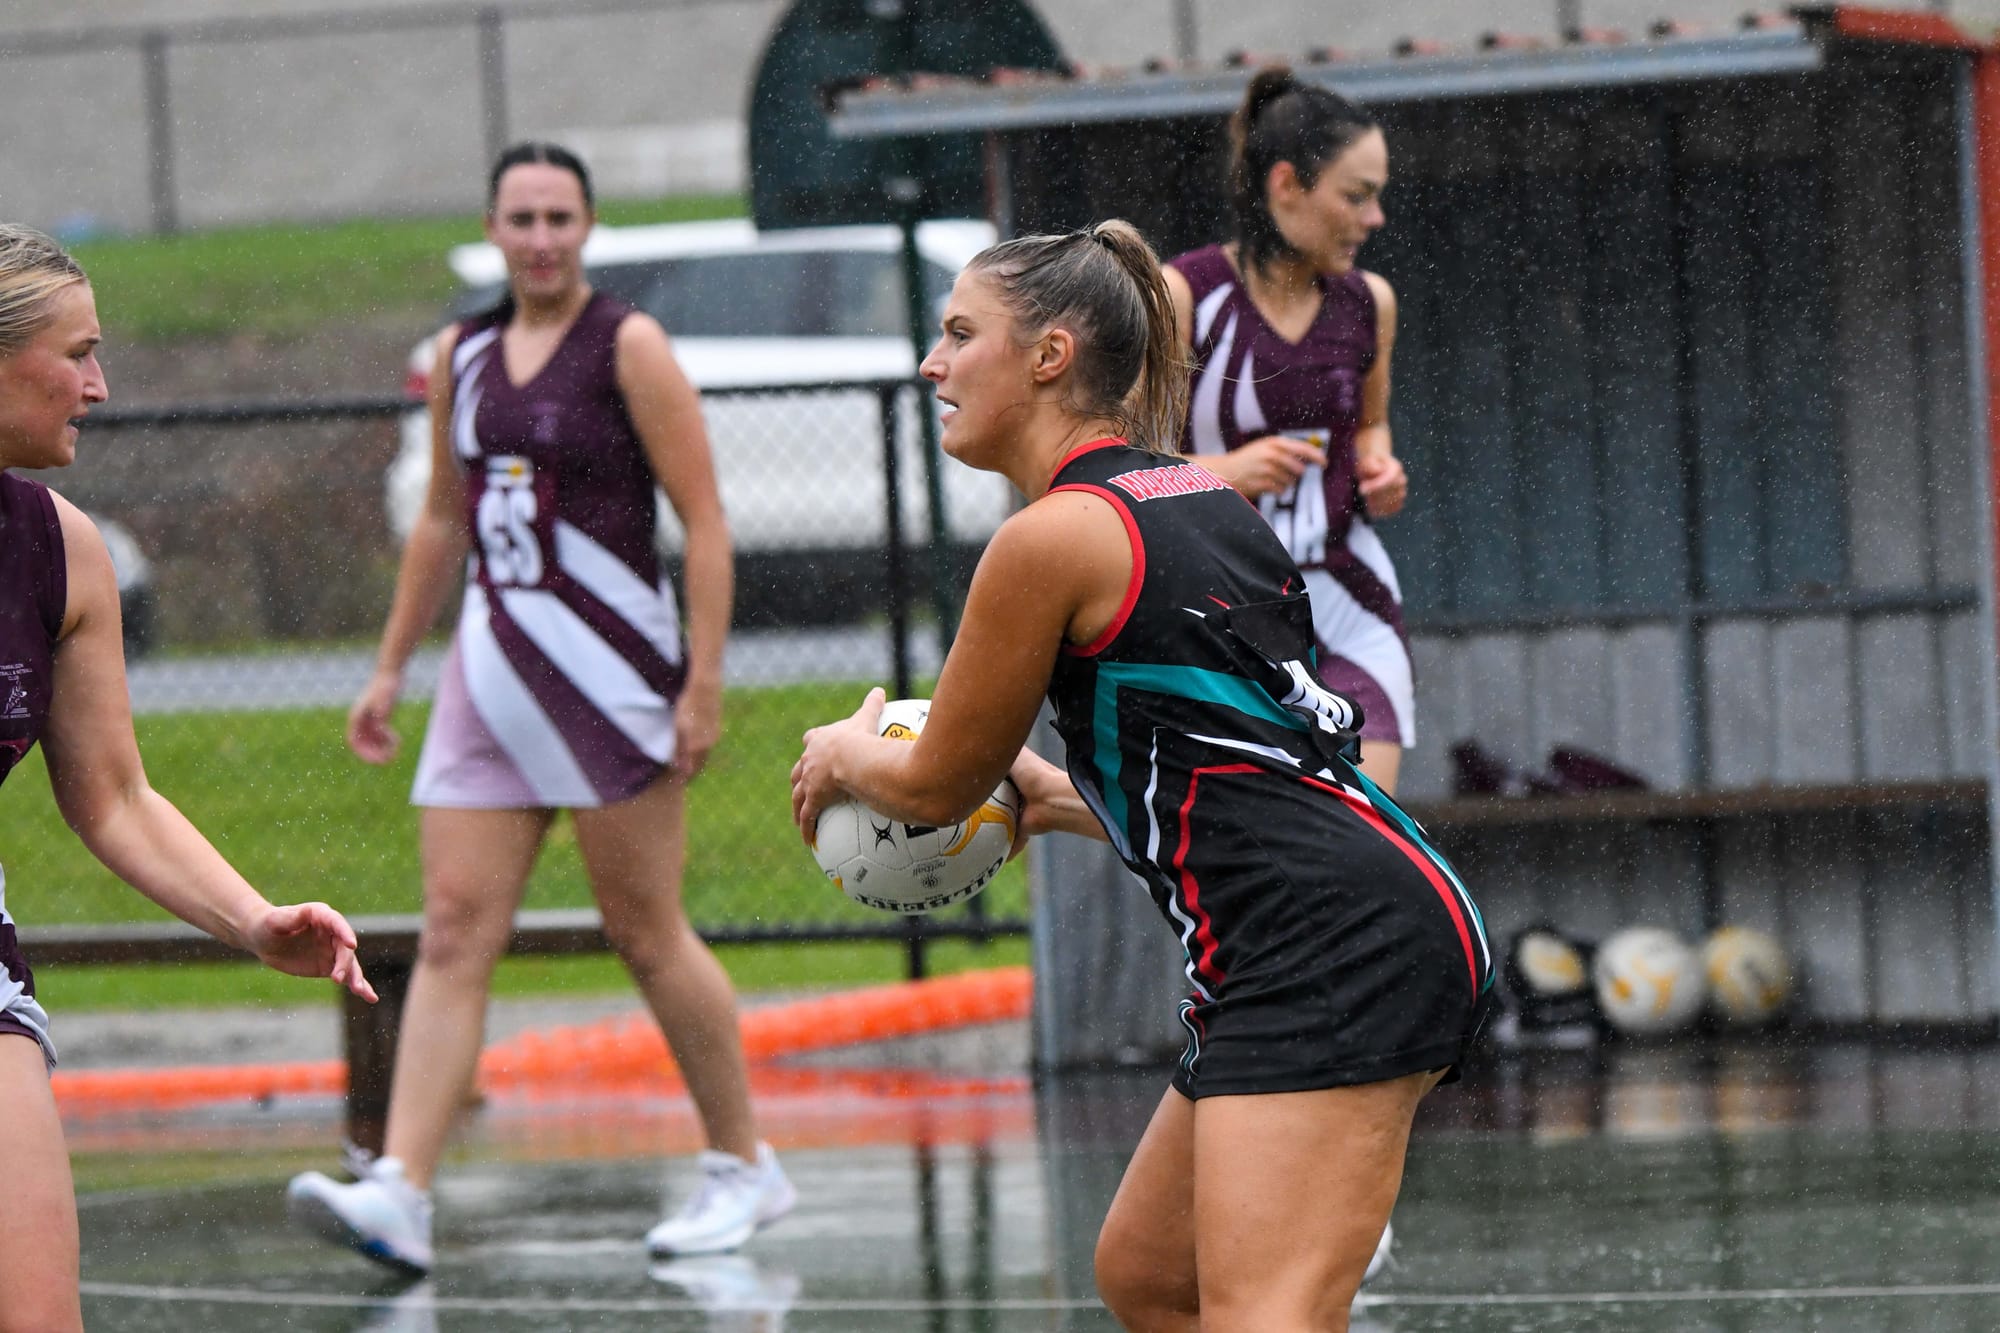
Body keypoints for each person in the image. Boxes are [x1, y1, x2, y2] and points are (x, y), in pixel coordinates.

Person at [790, 220, 1492, 1331]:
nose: (933, 363)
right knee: (1151, 1277)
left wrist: (841, 753)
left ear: (1049, 356)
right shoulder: (1195, 497)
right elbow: (1239, 766)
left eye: (959, 333)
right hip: (1340, 917)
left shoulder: (1049, 539)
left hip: (1327, 945)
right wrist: (1043, 796)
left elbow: (926, 789)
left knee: (1264, 1312)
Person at [286, 143, 791, 1276]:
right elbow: (438, 524)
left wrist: (701, 683)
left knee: (645, 931)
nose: (542, 236)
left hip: (610, 672)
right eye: (521, 217)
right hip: (490, 669)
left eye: (560, 215)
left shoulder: (629, 346)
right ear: (493, 227)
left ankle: (743, 1165)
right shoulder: (461, 353)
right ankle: (402, 1190)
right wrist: (388, 670)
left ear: (589, 225)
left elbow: (705, 523)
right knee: (455, 927)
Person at [0, 223, 379, 1333]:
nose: (100, 386)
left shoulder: (61, 552)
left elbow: (114, 795)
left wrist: (252, 920)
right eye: (75, 354)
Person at [1165, 67, 1413, 796]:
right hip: (1220, 611)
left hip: (1347, 599)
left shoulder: (1371, 302)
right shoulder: (1186, 296)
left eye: (1378, 196)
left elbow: (1370, 426)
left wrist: (1380, 469)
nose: (1376, 219)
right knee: (1264, 850)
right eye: (1357, 195)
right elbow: (1115, 463)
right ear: (1285, 187)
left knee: (1370, 839)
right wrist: (1223, 474)